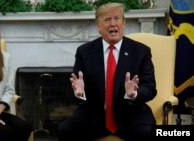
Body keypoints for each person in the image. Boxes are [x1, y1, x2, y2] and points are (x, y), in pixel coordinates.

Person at [58, 2, 156, 141]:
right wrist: (80, 93)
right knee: (65, 130)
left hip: (131, 115)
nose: (113, 24)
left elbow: (150, 88)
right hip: (94, 114)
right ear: (98, 26)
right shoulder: (84, 52)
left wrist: (134, 94)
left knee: (147, 133)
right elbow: (75, 84)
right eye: (107, 20)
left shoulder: (141, 51)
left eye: (117, 18)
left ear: (124, 23)